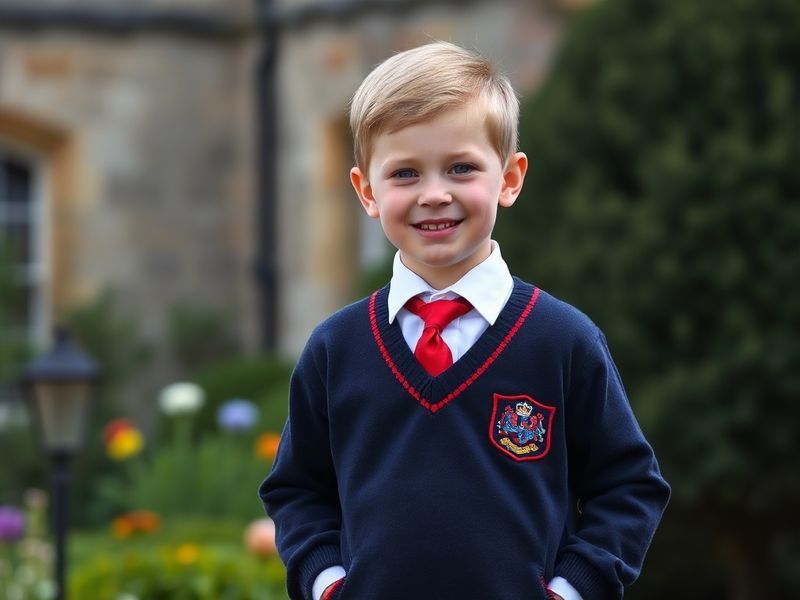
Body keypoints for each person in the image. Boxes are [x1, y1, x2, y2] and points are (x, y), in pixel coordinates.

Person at [260, 41, 670, 600]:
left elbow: (628, 486)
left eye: (460, 167)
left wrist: (573, 590)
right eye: (405, 173)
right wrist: (326, 583)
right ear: (365, 191)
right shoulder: (336, 348)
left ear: (509, 178)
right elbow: (298, 489)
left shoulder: (563, 340)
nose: (434, 194)